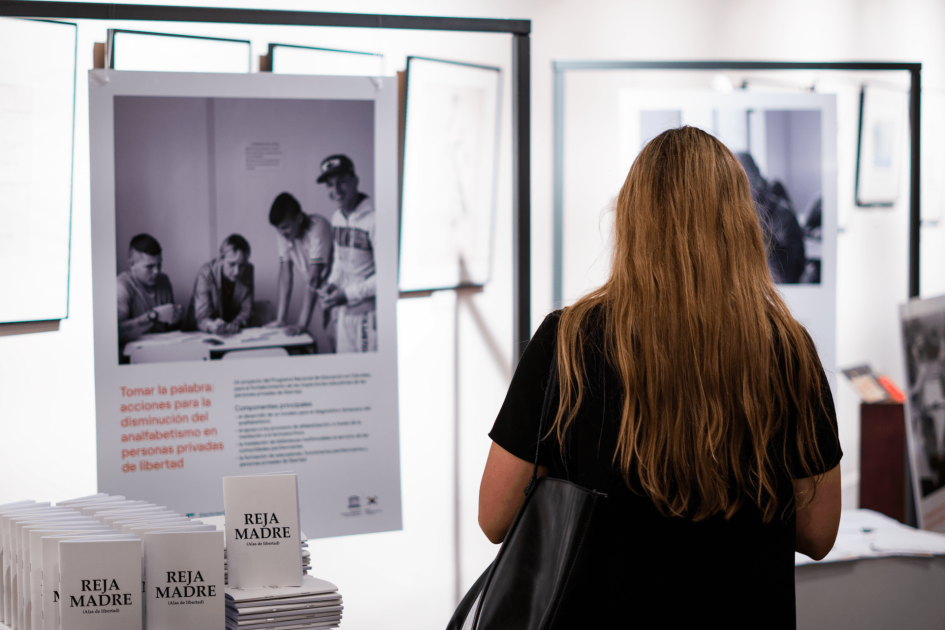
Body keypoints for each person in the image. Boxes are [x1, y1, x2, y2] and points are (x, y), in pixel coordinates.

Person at [478, 127, 842, 628]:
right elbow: (819, 533)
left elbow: (495, 518)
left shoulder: (568, 341)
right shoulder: (788, 350)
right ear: (740, 222)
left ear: (631, 217)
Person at [317, 154, 377, 353]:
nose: (336, 190)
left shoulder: (374, 219)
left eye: (341, 182)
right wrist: (332, 284)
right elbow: (339, 263)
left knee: (367, 377)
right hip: (344, 315)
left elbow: (385, 277)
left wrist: (347, 294)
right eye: (330, 185)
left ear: (355, 180)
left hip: (370, 317)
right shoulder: (337, 218)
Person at [265, 192, 333, 337]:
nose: (281, 233)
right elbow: (285, 275)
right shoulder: (283, 234)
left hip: (339, 292)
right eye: (278, 229)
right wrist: (280, 319)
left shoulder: (318, 226)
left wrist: (302, 324)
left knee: (339, 344)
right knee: (332, 337)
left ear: (299, 218)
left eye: (284, 227)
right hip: (323, 293)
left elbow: (314, 277)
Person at [117, 233, 183, 345]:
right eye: (149, 266)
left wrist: (176, 317)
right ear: (132, 264)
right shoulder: (122, 286)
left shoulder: (164, 280)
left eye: (159, 265)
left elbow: (171, 329)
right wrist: (154, 315)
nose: (156, 271)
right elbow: (116, 333)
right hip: (134, 356)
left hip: (163, 349)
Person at [185, 234, 254, 335]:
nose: (236, 272)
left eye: (242, 265)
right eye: (231, 264)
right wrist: (212, 325)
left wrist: (236, 323)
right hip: (198, 334)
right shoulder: (205, 272)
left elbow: (247, 309)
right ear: (221, 259)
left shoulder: (248, 269)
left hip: (230, 334)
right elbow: (202, 317)